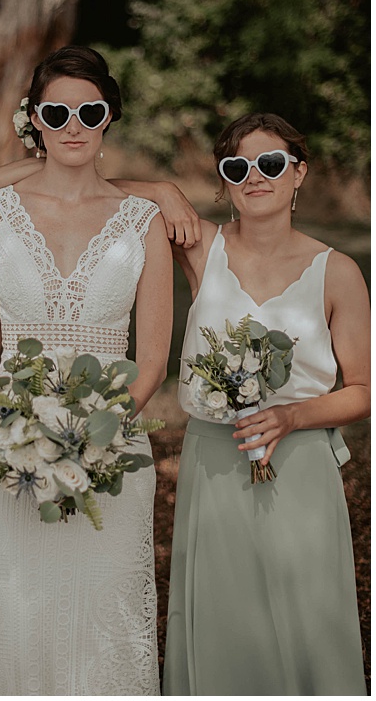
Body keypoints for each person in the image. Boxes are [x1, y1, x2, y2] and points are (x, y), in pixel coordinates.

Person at [0, 45, 170, 694]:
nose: (73, 125)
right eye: (57, 112)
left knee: (109, 616)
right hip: (9, 450)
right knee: (18, 614)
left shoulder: (146, 221)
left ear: (109, 118)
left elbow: (153, 358)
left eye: (89, 112)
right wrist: (16, 429)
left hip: (114, 448)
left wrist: (96, 437)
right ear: (36, 121)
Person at [161, 113, 369, 694]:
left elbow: (364, 389)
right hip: (213, 460)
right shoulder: (201, 249)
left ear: (298, 173)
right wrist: (164, 190)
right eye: (237, 167)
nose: (254, 176)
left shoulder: (338, 271)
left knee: (305, 617)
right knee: (222, 617)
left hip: (300, 464)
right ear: (224, 181)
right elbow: (94, 184)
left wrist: (291, 415)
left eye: (271, 163)